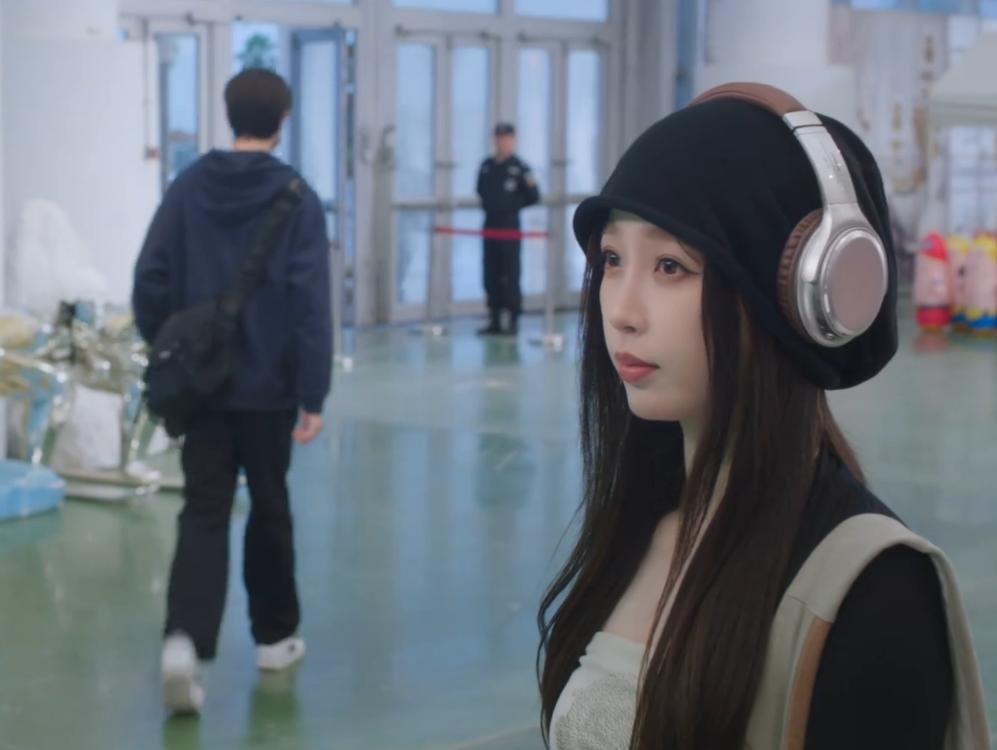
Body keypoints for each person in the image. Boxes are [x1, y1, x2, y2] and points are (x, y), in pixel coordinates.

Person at [538, 83, 990, 749]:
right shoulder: (638, 526)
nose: (622, 311)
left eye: (671, 266)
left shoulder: (873, 588)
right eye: (611, 259)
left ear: (804, 294)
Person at [132, 68, 332, 715]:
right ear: (283, 119)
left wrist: (173, 343)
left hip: (204, 390)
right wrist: (313, 392)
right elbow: (309, 304)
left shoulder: (188, 187)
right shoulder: (298, 198)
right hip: (269, 389)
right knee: (269, 506)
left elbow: (149, 278)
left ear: (227, 114)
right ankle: (274, 639)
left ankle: (184, 640)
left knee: (204, 508)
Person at [476, 123, 541, 336]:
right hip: (490, 227)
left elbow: (534, 195)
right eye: (499, 138)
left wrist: (512, 206)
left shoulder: (521, 168)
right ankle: (494, 318)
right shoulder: (486, 166)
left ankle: (512, 319)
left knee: (510, 272)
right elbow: (480, 190)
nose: (502, 142)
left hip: (509, 228)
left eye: (506, 138)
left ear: (513, 141)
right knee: (490, 272)